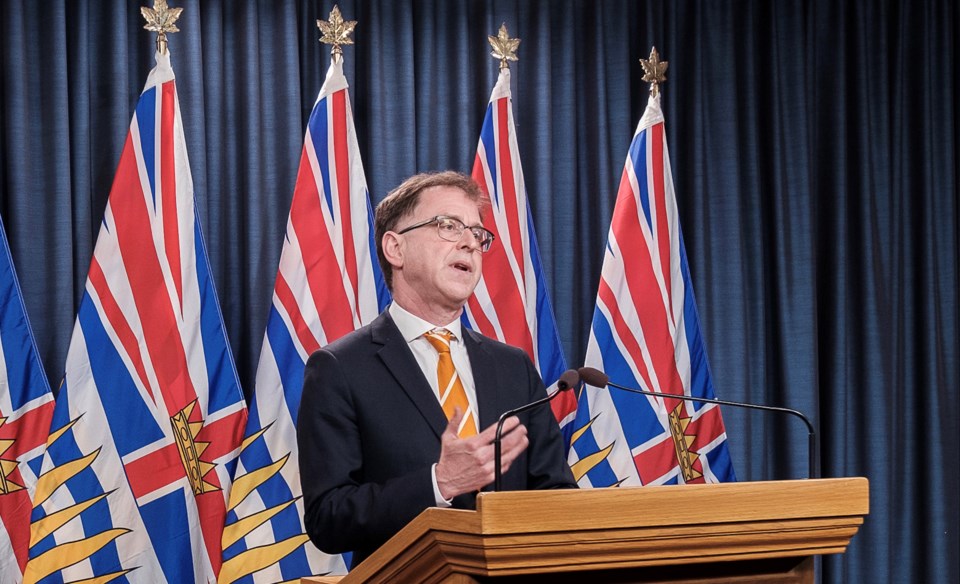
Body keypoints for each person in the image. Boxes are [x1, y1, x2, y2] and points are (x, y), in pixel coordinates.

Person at [298, 171, 576, 567]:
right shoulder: (340, 368)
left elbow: (555, 494)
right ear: (395, 248)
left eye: (479, 235)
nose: (470, 243)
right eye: (448, 226)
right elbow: (328, 517)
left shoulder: (513, 367)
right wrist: (439, 483)